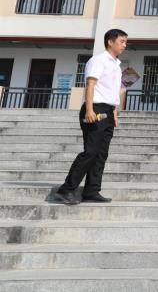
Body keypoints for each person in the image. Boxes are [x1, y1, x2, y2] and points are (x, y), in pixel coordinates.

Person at [55, 29, 128, 205]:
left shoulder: (116, 65)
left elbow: (112, 91)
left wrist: (115, 113)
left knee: (101, 154)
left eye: (126, 42)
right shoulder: (98, 60)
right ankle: (66, 190)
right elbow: (90, 84)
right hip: (95, 109)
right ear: (110, 42)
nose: (124, 45)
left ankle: (91, 190)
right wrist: (89, 110)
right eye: (122, 41)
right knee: (91, 151)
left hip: (108, 111)